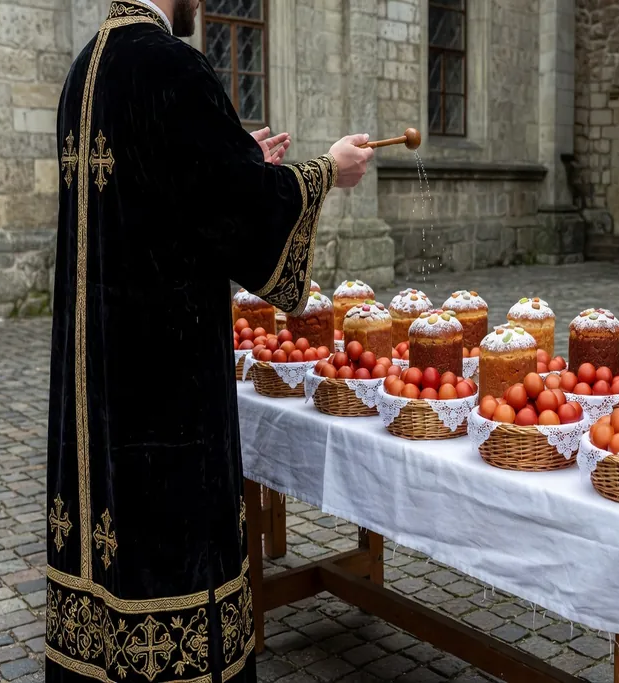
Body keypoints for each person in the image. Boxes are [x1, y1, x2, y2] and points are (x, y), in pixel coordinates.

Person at [44, 0, 374, 679]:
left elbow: (164, 190)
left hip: (100, 379)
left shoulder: (84, 72)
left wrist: (236, 156)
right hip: (164, 391)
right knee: (167, 559)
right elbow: (244, 217)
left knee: (108, 561)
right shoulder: (173, 68)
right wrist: (324, 172)